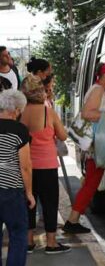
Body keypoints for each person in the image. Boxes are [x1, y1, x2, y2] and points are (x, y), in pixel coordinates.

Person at [63, 61, 105, 234]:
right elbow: (87, 113)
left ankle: (74, 217)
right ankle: (73, 220)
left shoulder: (100, 90)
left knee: (89, 181)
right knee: (91, 183)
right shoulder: (98, 90)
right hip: (96, 144)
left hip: (97, 143)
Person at [20, 74, 71, 254]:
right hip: (47, 165)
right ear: (41, 90)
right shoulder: (48, 112)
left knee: (28, 203)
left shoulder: (21, 112)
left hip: (26, 165)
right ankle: (51, 243)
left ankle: (28, 242)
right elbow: (63, 136)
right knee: (50, 204)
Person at [0, 89, 35, 266]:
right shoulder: (19, 130)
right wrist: (29, 193)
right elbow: (25, 166)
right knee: (18, 231)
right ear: (16, 110)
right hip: (11, 189)